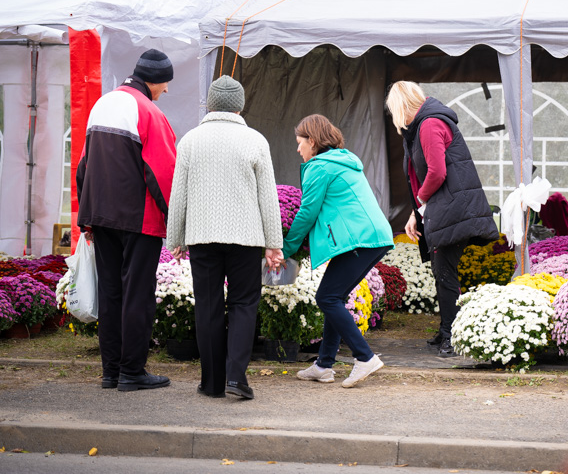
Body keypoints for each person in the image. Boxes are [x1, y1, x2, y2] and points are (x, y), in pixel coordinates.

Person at [166, 75, 283, 400]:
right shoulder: (256, 141)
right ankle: (236, 377)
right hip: (246, 238)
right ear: (240, 106)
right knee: (244, 303)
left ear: (210, 104)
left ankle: (212, 382)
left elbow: (179, 194)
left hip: (202, 236)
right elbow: (268, 198)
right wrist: (275, 244)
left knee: (207, 305)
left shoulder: (190, 140)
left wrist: (174, 236)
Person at [76, 49, 177, 391]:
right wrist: (175, 219)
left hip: (100, 215)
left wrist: (85, 218)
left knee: (111, 292)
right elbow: (162, 173)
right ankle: (132, 372)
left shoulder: (102, 104)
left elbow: (83, 166)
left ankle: (111, 371)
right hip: (139, 219)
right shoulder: (149, 111)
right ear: (157, 80)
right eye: (166, 84)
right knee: (137, 294)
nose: (165, 91)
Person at [385, 81, 499, 356]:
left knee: (445, 272)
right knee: (441, 270)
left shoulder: (430, 125)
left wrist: (420, 203)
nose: (393, 117)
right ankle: (447, 329)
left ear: (401, 106)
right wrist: (417, 212)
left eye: (393, 110)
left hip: (455, 210)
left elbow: (436, 173)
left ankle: (452, 334)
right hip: (447, 208)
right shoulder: (420, 127)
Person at [283, 115, 393, 388]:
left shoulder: (320, 168)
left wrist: (286, 248)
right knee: (334, 296)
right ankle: (323, 365)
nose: (298, 150)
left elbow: (307, 212)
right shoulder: (343, 160)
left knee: (328, 297)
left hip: (360, 241)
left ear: (313, 141)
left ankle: (364, 357)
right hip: (370, 237)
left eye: (300, 143)